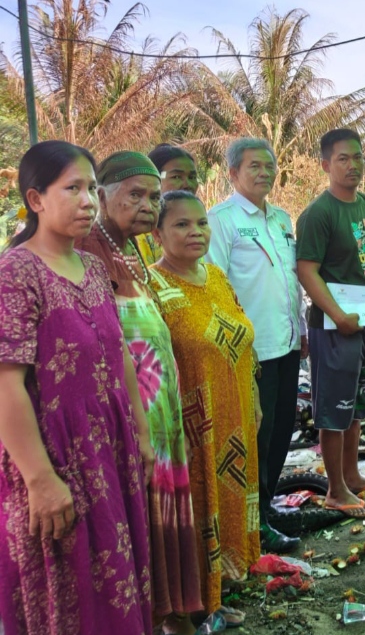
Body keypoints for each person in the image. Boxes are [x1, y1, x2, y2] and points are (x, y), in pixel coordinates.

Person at [0, 141, 154, 635]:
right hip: (53, 457)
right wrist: (41, 481)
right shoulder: (16, 273)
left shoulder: (91, 268)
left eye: (92, 188)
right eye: (73, 188)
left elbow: (119, 361)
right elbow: (6, 386)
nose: (88, 200)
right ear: (36, 198)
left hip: (110, 450)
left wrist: (143, 435)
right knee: (68, 591)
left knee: (117, 582)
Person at [75, 152, 203, 633]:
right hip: (133, 419)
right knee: (140, 521)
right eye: (136, 194)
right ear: (102, 194)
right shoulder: (88, 249)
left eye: (153, 196)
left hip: (159, 413)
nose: (149, 205)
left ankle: (171, 614)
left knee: (161, 515)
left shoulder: (130, 249)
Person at [148, 191, 261, 619]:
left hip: (235, 413)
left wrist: (252, 398)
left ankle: (218, 595)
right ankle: (193, 608)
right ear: (157, 233)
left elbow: (242, 340)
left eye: (201, 223)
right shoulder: (153, 286)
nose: (195, 232)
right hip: (192, 428)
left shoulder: (215, 276)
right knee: (197, 510)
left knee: (229, 503)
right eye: (181, 224)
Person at [296, 129, 365, 518]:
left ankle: (353, 476)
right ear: (326, 164)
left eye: (358, 157)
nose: (353, 165)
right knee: (334, 408)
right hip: (334, 327)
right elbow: (307, 271)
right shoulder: (318, 214)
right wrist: (337, 315)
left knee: (358, 404)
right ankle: (335, 489)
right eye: (343, 159)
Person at [207, 138, 306, 554]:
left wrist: (300, 331)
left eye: (269, 166)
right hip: (250, 349)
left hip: (285, 342)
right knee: (256, 437)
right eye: (254, 166)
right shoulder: (220, 220)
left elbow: (289, 280)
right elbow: (213, 285)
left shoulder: (282, 218)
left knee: (282, 429)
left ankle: (265, 509)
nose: (264, 172)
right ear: (232, 173)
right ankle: (253, 525)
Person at [138, 144, 200, 265]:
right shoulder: (141, 231)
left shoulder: (199, 226)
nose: (187, 184)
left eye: (192, 177)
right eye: (176, 177)